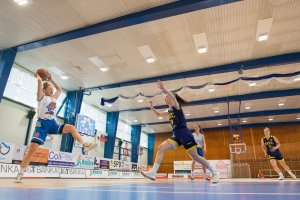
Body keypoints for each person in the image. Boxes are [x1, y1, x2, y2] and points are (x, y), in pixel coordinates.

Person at [15, 71, 93, 183]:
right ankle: (20, 173)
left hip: (52, 123)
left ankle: (84, 145)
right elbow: (39, 83)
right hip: (41, 125)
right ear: (44, 90)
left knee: (71, 128)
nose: (52, 90)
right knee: (32, 149)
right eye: (49, 89)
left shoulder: (54, 98)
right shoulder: (41, 97)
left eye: (52, 89)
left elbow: (60, 89)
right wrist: (38, 77)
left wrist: (51, 79)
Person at [141, 81, 219, 183]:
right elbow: (159, 115)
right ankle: (153, 172)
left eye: (168, 95)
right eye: (166, 96)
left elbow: (173, 98)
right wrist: (151, 107)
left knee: (195, 157)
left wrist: (164, 89)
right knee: (161, 148)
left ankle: (215, 173)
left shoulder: (177, 107)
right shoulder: (169, 111)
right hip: (176, 135)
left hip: (185, 134)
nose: (166, 96)